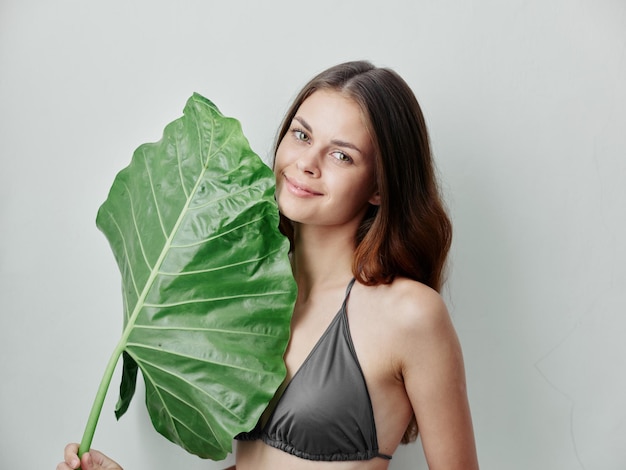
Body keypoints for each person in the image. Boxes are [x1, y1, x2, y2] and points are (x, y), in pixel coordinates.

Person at [58, 60, 479, 470]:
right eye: (301, 135)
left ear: (380, 189)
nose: (306, 163)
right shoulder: (245, 293)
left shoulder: (411, 315)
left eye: (341, 156)